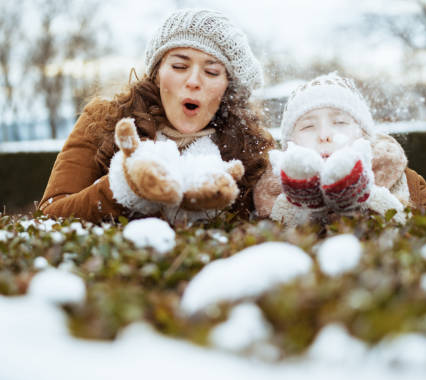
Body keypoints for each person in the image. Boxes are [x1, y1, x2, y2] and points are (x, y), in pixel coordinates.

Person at [39, 9, 273, 225]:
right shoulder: (103, 121)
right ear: (157, 74)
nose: (193, 81)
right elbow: (49, 216)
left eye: (211, 72)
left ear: (227, 88)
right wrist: (124, 186)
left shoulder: (250, 147)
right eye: (179, 66)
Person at [253, 72, 426, 225]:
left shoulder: (410, 187)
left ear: (363, 135)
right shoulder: (269, 198)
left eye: (340, 122)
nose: (324, 135)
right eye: (308, 126)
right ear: (290, 143)